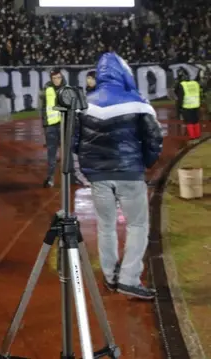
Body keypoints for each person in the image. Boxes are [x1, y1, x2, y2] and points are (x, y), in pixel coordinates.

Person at [74, 52, 163, 300]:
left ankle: (111, 276)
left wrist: (90, 167)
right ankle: (129, 279)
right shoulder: (137, 101)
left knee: (106, 226)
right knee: (137, 225)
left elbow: (73, 140)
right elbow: (154, 138)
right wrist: (144, 163)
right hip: (130, 173)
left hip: (98, 176)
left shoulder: (84, 102)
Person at [39, 69, 66, 187]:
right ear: (51, 78)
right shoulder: (46, 90)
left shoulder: (67, 89)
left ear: (62, 77)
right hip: (51, 126)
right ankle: (50, 177)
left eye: (58, 77)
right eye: (54, 78)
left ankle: (70, 177)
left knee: (67, 153)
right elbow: (42, 107)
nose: (56, 80)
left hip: (64, 125)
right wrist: (44, 123)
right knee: (51, 153)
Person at [174, 68, 202, 141]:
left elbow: (180, 98)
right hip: (196, 104)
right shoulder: (195, 83)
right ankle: (198, 135)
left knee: (189, 121)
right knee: (196, 120)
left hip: (187, 106)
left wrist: (179, 108)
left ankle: (192, 136)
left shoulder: (182, 85)